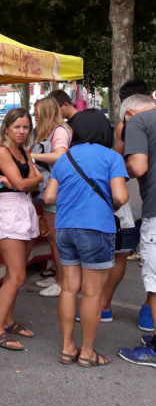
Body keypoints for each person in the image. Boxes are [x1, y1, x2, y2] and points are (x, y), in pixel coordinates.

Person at [44, 109, 128, 367]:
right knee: (92, 293)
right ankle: (88, 352)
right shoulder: (112, 157)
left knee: (69, 288)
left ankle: (68, 347)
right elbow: (122, 197)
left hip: (65, 227)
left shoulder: (64, 158)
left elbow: (48, 197)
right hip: (97, 228)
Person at [0, 108, 44, 351]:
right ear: (7, 127)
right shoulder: (1, 151)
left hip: (25, 209)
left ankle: (7, 321)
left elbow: (35, 178)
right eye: (17, 127)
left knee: (15, 274)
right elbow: (26, 181)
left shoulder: (22, 151)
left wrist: (26, 182)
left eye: (26, 127)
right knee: (17, 275)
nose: (22, 131)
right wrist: (26, 182)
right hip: (8, 211)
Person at [100, 81, 152, 329]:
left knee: (120, 255)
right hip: (148, 198)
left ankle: (103, 307)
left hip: (131, 197)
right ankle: (146, 312)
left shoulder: (130, 124)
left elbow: (119, 160)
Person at [118, 94, 156, 365]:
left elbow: (138, 165)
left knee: (155, 285)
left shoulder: (138, 122)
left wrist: (117, 171)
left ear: (128, 113)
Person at [31, 97, 72, 298]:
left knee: (56, 241)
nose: (34, 116)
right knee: (53, 240)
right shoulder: (53, 132)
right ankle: (58, 277)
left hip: (58, 193)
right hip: (52, 192)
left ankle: (61, 282)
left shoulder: (59, 132)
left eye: (36, 112)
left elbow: (61, 155)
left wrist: (32, 156)